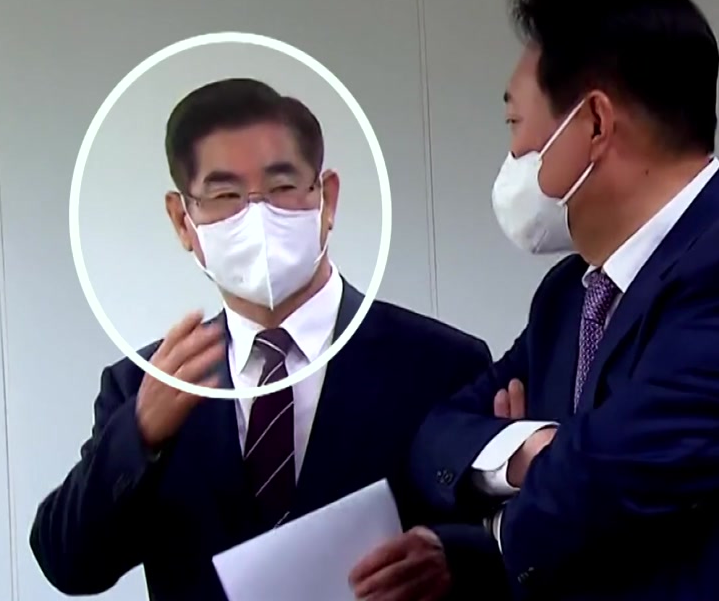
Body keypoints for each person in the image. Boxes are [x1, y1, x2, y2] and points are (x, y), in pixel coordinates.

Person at [408, 0, 719, 600]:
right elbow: (437, 435)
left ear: (594, 123)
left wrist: (524, 492)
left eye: (515, 124)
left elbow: (602, 484)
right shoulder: (571, 292)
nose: (512, 154)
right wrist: (529, 450)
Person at [30, 78, 493, 601]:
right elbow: (68, 564)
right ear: (183, 221)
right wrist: (139, 434)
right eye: (225, 195)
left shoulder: (440, 363)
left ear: (326, 198)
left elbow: (509, 543)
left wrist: (453, 557)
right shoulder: (141, 385)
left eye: (282, 187)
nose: (257, 216)